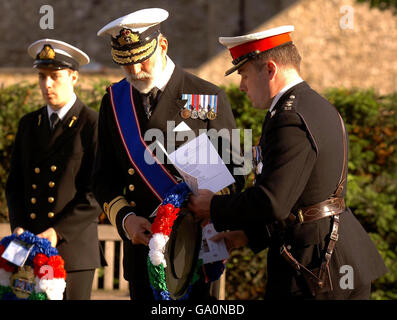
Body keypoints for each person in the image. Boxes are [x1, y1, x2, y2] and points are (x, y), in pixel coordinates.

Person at [188, 26, 388, 299]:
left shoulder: (289, 117)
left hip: (315, 268)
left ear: (270, 70)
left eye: (245, 75)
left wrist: (213, 206)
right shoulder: (314, 104)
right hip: (333, 258)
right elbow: (303, 199)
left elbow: (273, 201)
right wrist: (246, 236)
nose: (242, 86)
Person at [93, 8, 244, 300]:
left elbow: (236, 173)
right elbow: (102, 178)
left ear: (162, 45)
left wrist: (213, 205)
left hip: (196, 246)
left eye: (141, 59)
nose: (135, 71)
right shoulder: (113, 101)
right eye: (126, 63)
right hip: (141, 252)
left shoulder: (207, 96)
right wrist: (126, 219)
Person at [6, 39, 103, 300]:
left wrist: (58, 232)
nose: (47, 84)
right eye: (42, 76)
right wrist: (19, 226)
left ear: (73, 77)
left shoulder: (92, 123)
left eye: (55, 76)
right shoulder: (29, 123)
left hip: (72, 251)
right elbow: (14, 185)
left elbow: (97, 191)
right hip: (28, 247)